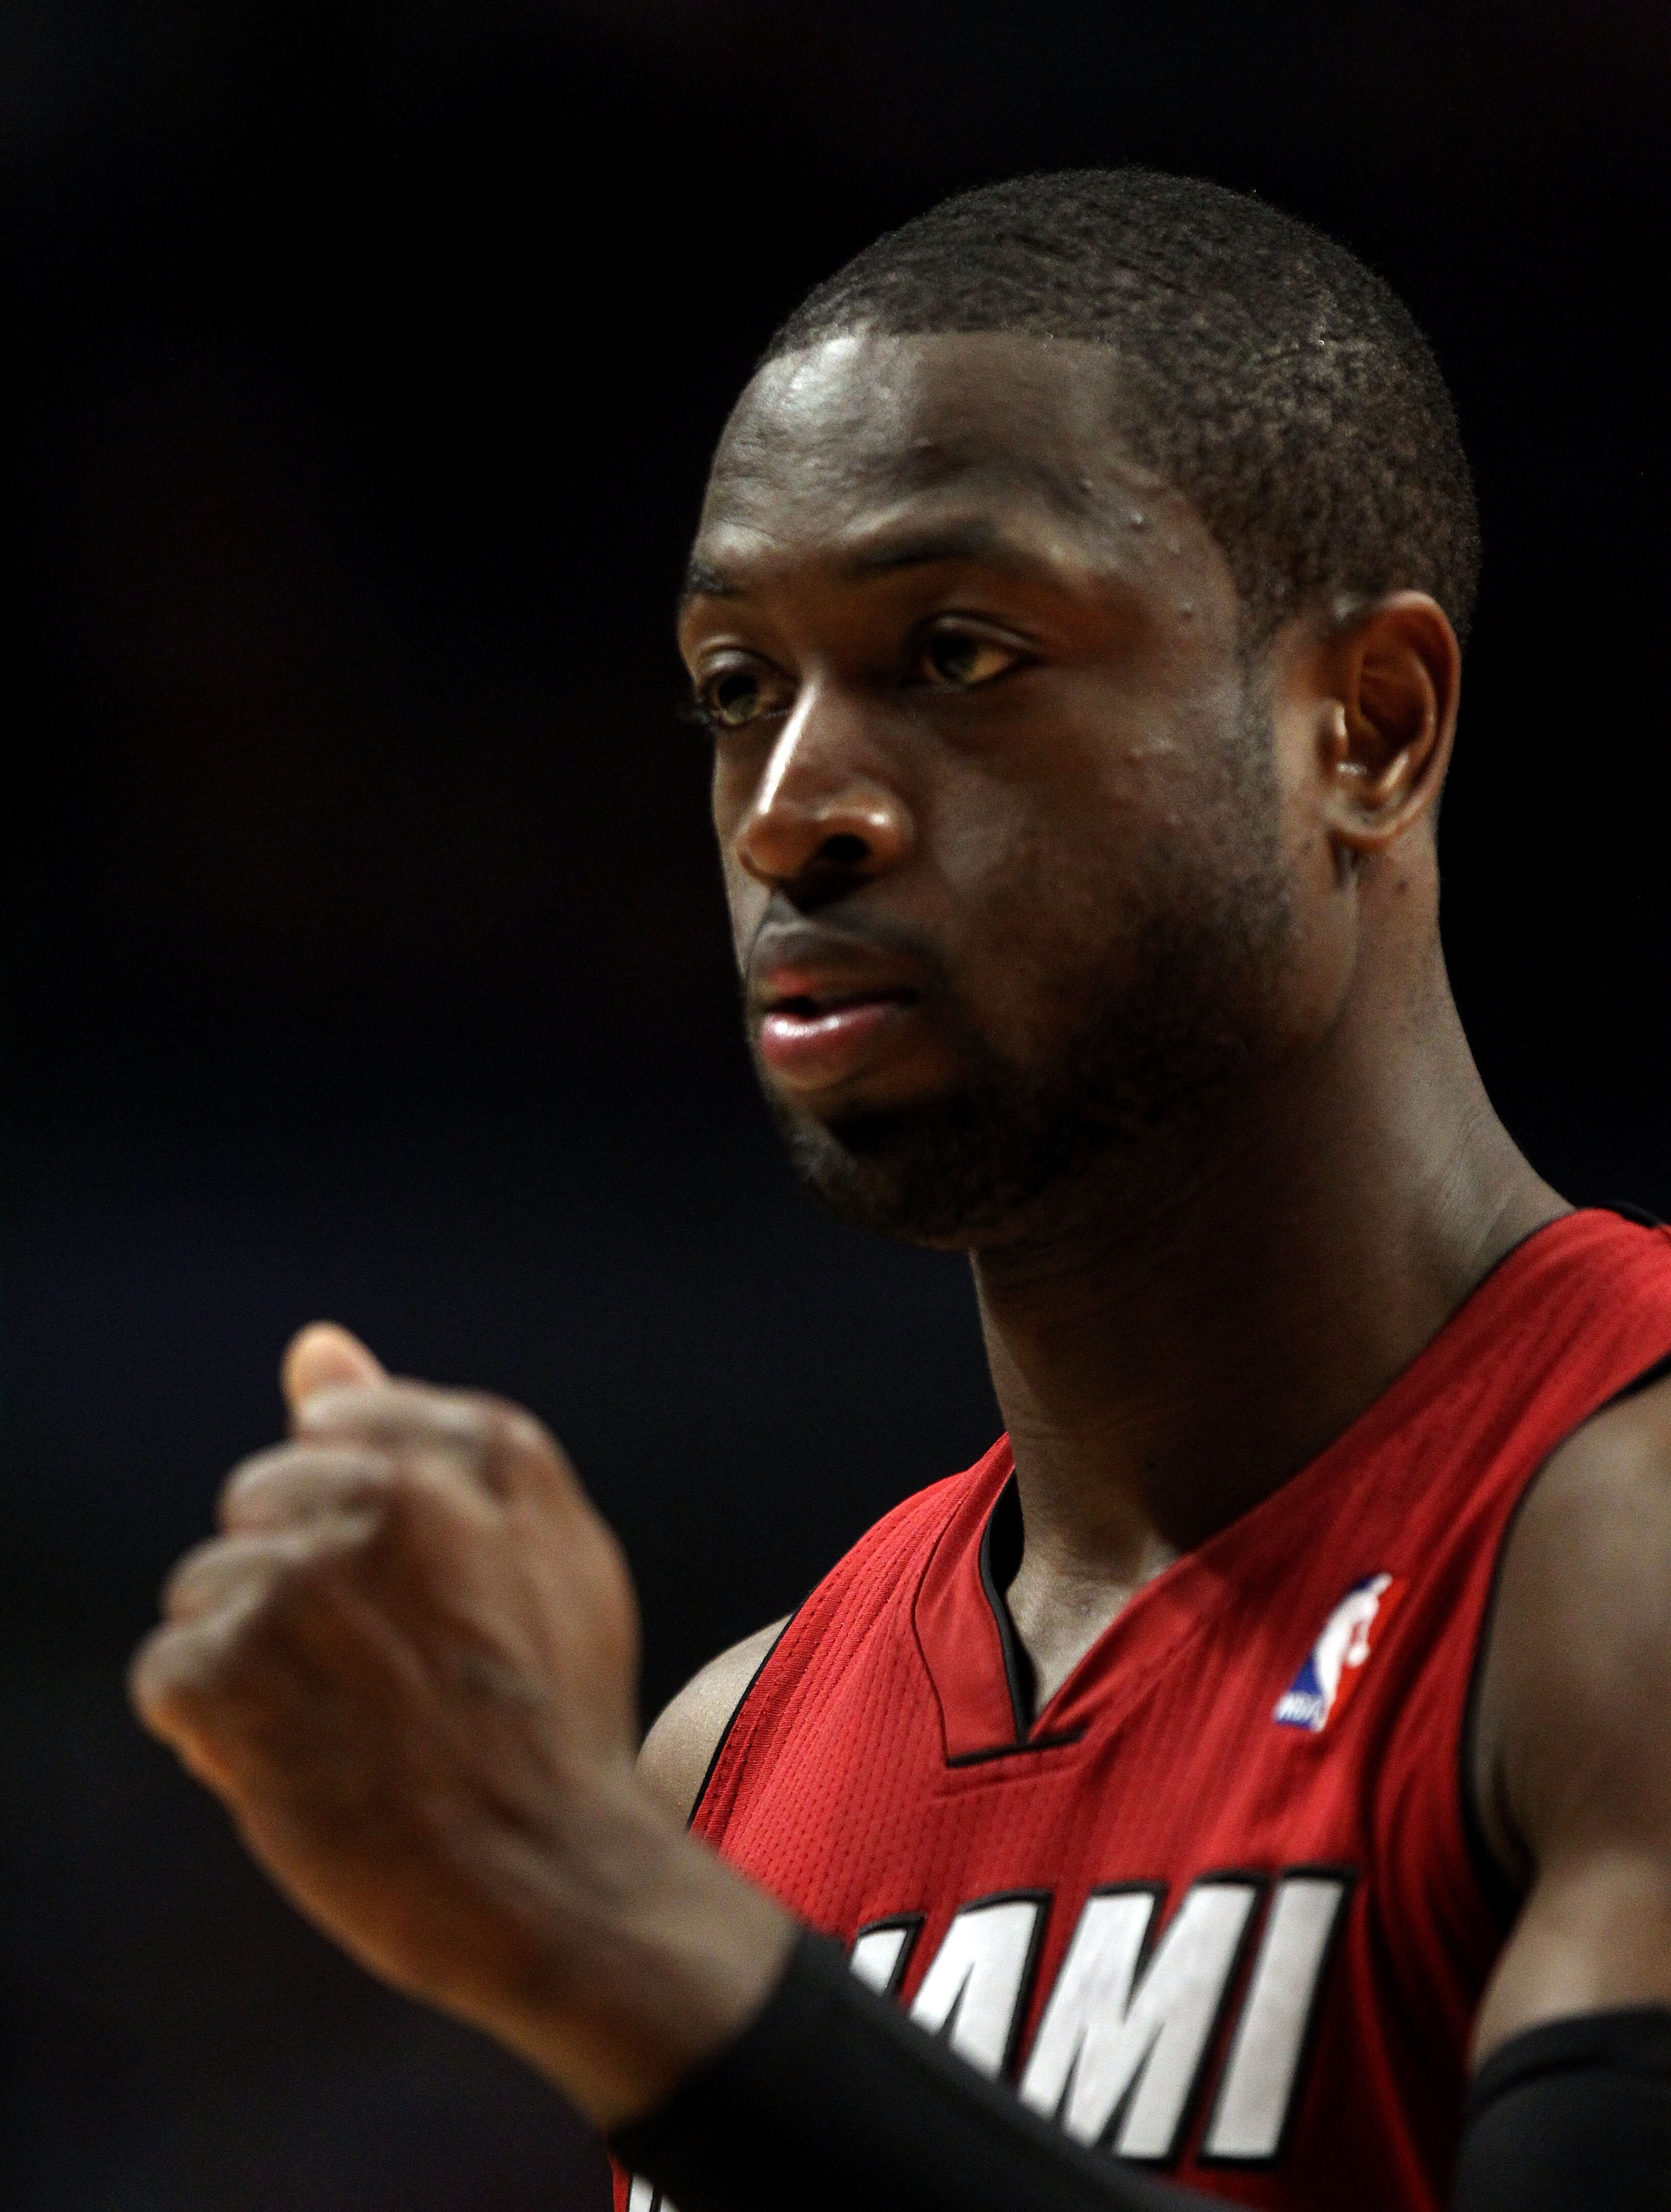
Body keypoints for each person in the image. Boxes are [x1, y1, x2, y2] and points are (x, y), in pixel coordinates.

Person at [131, 171, 1671, 2212]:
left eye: (956, 653)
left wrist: (627, 1948)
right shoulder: (731, 1756)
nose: (792, 814)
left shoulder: (1618, 1549)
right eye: (735, 686)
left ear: (1366, 730)